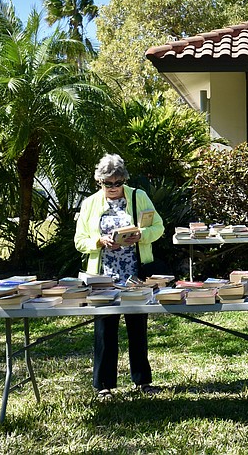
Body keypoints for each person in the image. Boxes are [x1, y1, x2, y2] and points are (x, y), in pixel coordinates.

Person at [75, 154, 165, 399]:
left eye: (117, 183)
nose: (113, 188)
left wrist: (142, 235)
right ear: (99, 182)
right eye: (108, 184)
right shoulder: (90, 203)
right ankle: (104, 385)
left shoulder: (138, 196)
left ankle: (142, 381)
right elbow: (79, 240)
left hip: (135, 274)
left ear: (124, 179)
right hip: (103, 277)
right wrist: (98, 241)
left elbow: (159, 227)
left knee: (138, 327)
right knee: (105, 329)